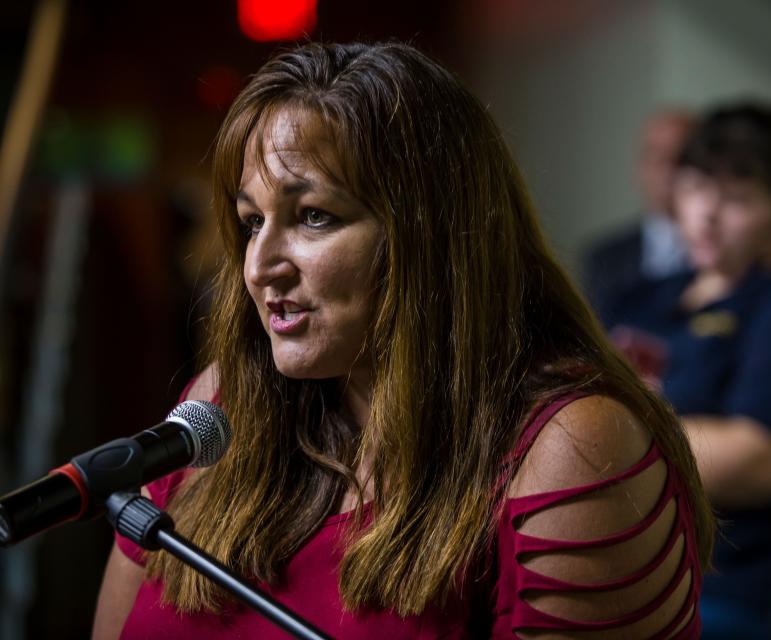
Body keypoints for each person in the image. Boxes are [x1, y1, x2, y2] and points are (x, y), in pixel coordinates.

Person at [90, 42, 715, 639]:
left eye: (314, 216)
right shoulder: (220, 406)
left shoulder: (571, 448)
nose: (258, 266)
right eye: (252, 221)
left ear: (436, 237)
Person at [606, 102, 771, 638]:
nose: (706, 216)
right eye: (695, 189)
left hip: (731, 587)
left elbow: (760, 458)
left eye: (737, 200)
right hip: (624, 566)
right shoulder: (647, 294)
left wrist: (596, 441)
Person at [583, 108, 695, 324]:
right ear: (639, 167)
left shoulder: (728, 258)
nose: (667, 166)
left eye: (681, 155)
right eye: (654, 154)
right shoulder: (602, 259)